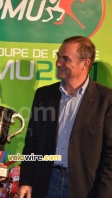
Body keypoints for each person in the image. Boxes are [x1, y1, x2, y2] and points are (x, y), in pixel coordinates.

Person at [18, 36, 112, 198]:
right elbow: (32, 143)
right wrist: (26, 180)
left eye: (65, 59)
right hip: (46, 183)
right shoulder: (44, 95)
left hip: (85, 188)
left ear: (86, 64)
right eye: (58, 57)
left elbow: (109, 156)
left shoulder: (106, 100)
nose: (58, 63)